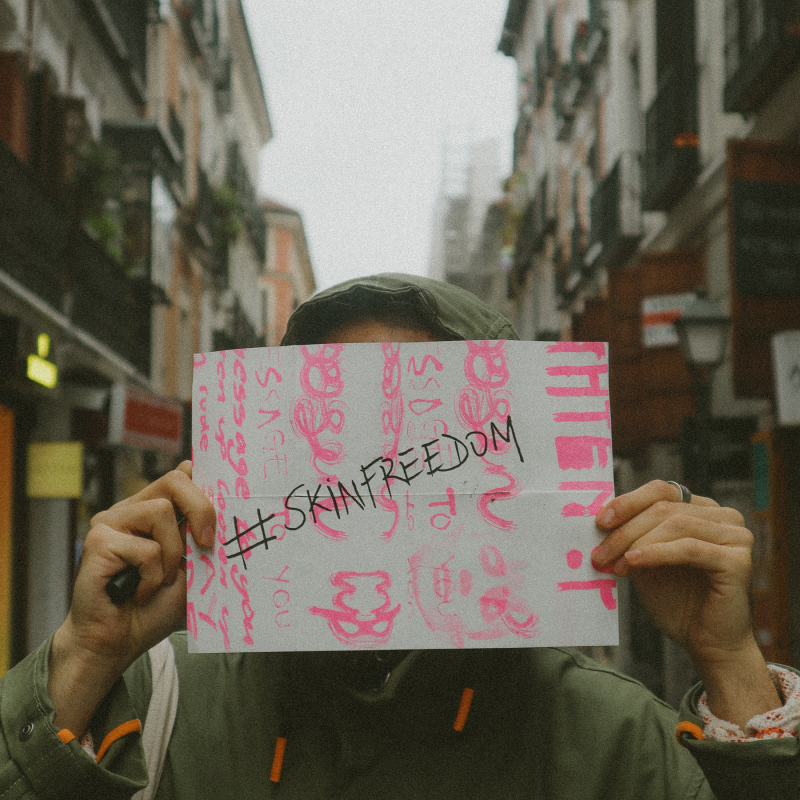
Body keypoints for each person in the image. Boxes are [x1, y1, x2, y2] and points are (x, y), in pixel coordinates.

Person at [1, 273, 797, 799]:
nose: (382, 477)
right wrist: (87, 654)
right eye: (340, 429)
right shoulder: (157, 701)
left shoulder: (609, 737)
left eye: (423, 434)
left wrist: (730, 666)